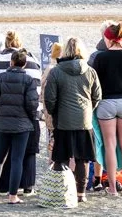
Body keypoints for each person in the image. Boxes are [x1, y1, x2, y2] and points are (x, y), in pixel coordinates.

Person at [43, 35, 102, 204]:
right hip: (84, 120)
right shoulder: (90, 71)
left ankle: (61, 190)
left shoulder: (56, 71)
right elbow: (97, 96)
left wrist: (54, 114)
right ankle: (80, 193)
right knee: (82, 158)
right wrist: (89, 110)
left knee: (60, 157)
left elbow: (50, 98)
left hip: (63, 120)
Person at [90, 24, 122, 198]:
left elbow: (95, 85)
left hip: (106, 103)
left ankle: (112, 187)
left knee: (109, 144)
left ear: (108, 38)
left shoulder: (100, 58)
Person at [0, 48, 39, 204]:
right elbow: (32, 103)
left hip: (2, 124)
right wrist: (28, 117)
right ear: (24, 64)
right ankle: (13, 196)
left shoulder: (0, 78)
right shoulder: (29, 81)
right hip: (22, 125)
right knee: (17, 160)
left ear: (11, 62)